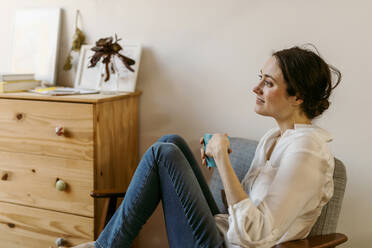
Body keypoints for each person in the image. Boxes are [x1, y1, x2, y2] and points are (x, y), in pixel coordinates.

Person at [73, 45, 341, 248]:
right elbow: (240, 210)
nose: (256, 87)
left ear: (298, 97)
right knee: (171, 142)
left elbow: (256, 234)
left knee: (162, 154)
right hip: (224, 232)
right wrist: (216, 156)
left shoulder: (307, 151)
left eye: (268, 83)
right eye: (260, 77)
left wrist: (223, 159)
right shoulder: (274, 138)